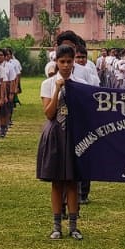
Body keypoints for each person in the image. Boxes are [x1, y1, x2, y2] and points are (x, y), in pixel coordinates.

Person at [38, 44, 83, 239]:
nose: (65, 66)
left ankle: (73, 225)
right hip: (55, 133)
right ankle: (57, 225)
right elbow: (48, 113)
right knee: (56, 181)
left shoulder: (80, 83)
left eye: (69, 62)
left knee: (72, 181)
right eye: (62, 61)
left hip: (73, 133)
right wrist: (57, 89)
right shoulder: (47, 84)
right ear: (56, 62)